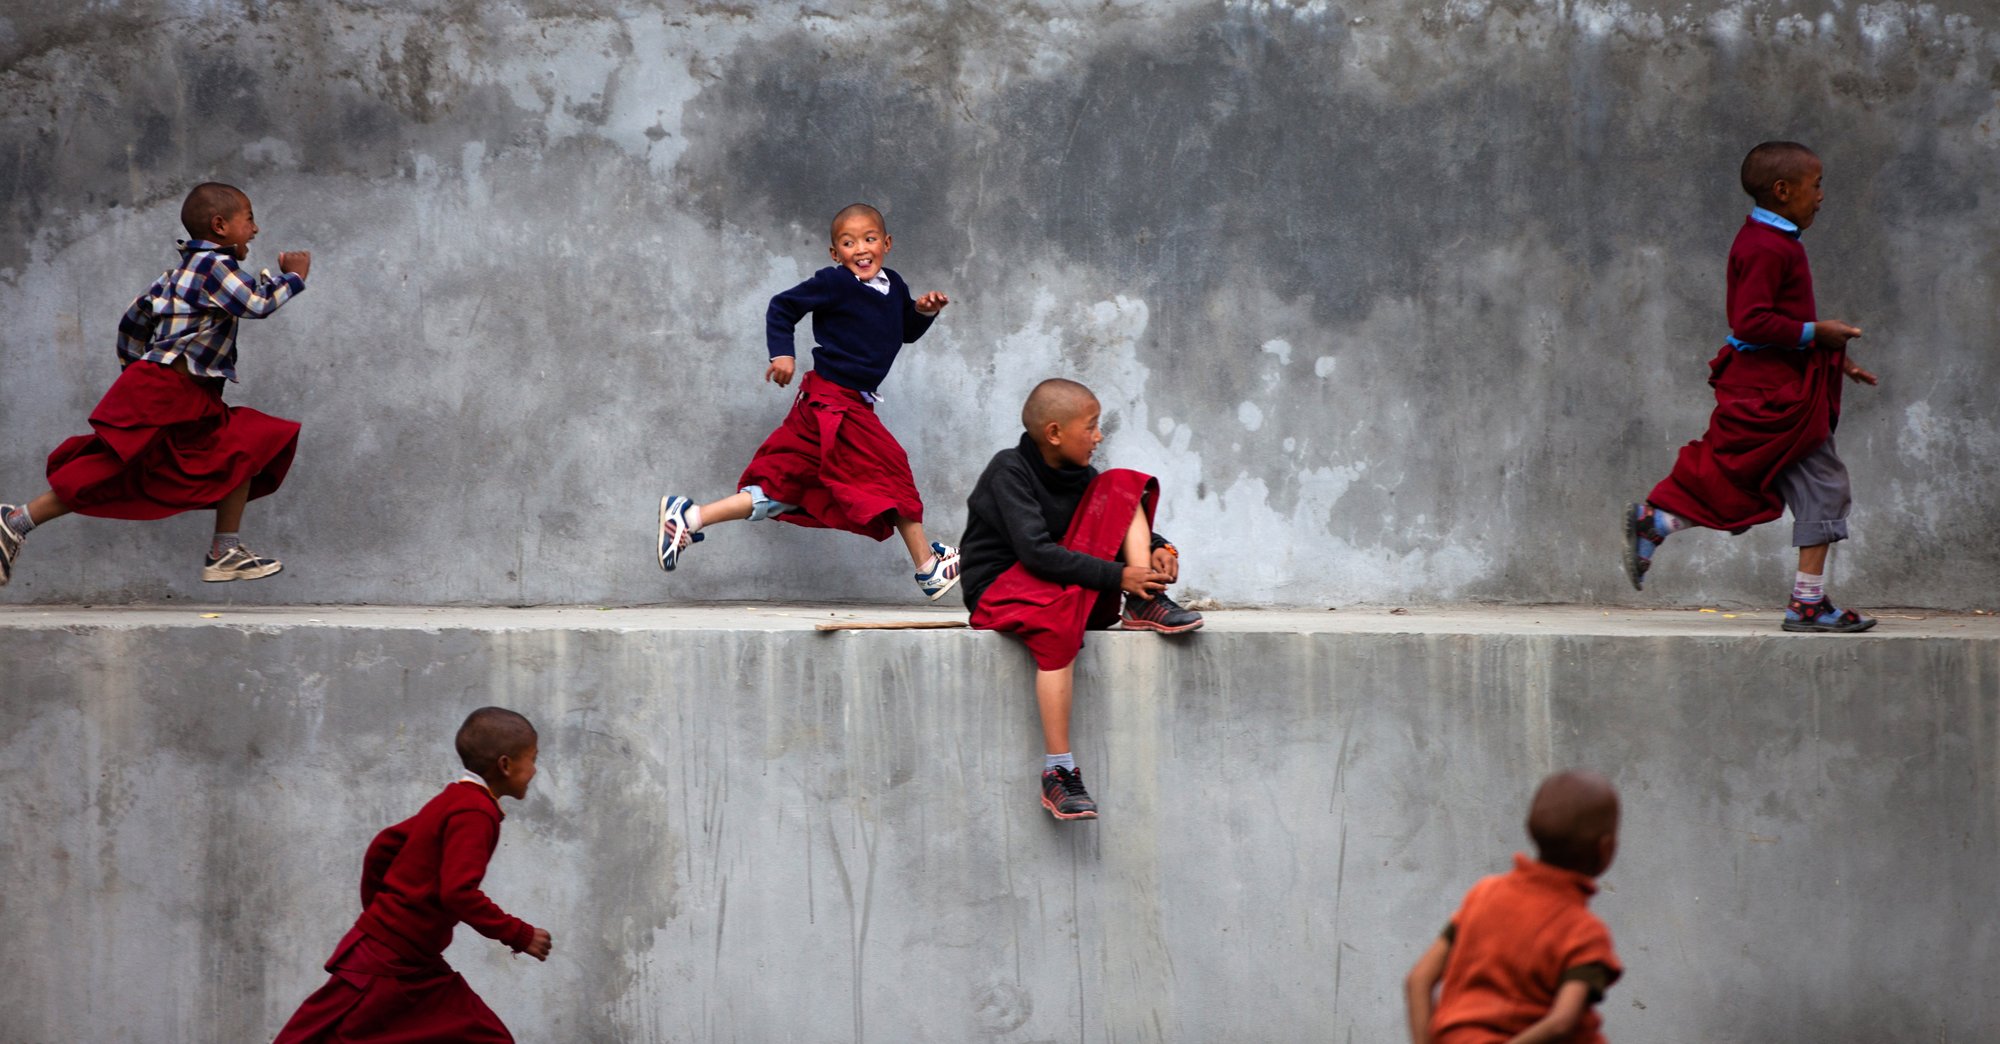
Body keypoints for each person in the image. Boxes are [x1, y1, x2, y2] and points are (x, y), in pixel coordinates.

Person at [1624, 141, 1879, 633]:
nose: (1822, 195)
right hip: (1776, 394)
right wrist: (1815, 333)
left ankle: (1657, 521)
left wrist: (1839, 360)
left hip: (1777, 386)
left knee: (1740, 480)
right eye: (1816, 184)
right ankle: (1807, 604)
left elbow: (1779, 320)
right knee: (1823, 487)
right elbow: (1751, 323)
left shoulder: (1771, 240)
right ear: (1784, 191)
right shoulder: (1766, 247)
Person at [0, 182, 309, 587]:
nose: (256, 229)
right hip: (168, 391)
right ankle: (16, 520)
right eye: (248, 219)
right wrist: (293, 278)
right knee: (118, 467)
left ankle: (225, 552)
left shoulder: (177, 274)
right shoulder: (213, 267)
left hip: (187, 394)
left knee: (244, 445)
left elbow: (133, 321)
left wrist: (136, 369)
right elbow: (256, 304)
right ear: (220, 226)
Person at [655, 203, 961, 600]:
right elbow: (782, 306)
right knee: (891, 469)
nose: (861, 249)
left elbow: (903, 332)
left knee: (785, 487)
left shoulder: (895, 285)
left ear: (886, 244)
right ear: (836, 254)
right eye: (849, 243)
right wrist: (781, 353)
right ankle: (928, 569)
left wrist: (923, 312)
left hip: (835, 405)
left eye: (869, 239)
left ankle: (690, 517)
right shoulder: (834, 283)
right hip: (832, 402)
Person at [959, 378, 1203, 820]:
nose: (1098, 436)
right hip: (1001, 588)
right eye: (1090, 427)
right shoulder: (1008, 471)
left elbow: (1106, 519)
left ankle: (1145, 603)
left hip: (1053, 579)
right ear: (1054, 433)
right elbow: (1035, 552)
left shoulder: (1081, 475)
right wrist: (1119, 575)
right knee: (1057, 621)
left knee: (1121, 484)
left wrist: (1159, 550)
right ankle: (1059, 772)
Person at [272, 708, 553, 1043]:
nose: (535, 770)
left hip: (413, 962)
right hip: (385, 961)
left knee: (484, 1036)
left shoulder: (454, 799)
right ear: (505, 765)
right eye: (532, 759)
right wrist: (519, 934)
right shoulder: (476, 812)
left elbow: (384, 846)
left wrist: (384, 912)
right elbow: (458, 893)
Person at [1405, 771, 1624, 1044]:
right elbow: (1561, 1024)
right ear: (1606, 848)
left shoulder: (1484, 894)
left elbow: (1418, 980)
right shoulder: (1584, 932)